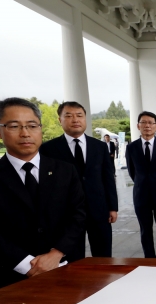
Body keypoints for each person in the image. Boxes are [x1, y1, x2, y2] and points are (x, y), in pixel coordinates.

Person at [0, 98, 85, 289]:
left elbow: (78, 215)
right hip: (13, 276)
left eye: (32, 125)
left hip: (66, 266)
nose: (25, 133)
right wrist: (27, 265)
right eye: (14, 126)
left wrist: (56, 254)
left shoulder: (65, 171)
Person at [39, 101, 118, 257]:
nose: (75, 120)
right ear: (59, 120)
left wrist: (112, 207)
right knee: (71, 255)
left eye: (79, 115)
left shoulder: (100, 147)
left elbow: (108, 178)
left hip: (98, 209)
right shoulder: (48, 149)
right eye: (68, 116)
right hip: (65, 213)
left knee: (103, 254)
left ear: (85, 119)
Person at [126, 111, 156, 258]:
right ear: (138, 126)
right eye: (143, 122)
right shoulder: (131, 148)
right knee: (145, 229)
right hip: (141, 195)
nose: (147, 125)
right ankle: (150, 258)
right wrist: (143, 183)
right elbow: (132, 171)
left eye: (151, 123)